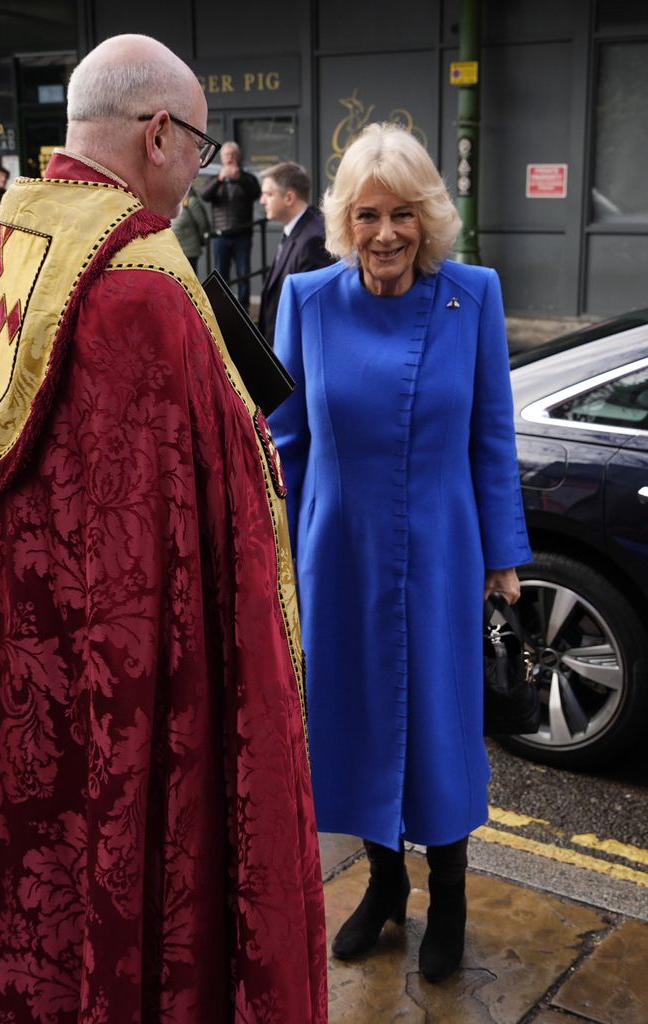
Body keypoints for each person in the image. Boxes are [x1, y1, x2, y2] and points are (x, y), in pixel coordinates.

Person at [0, 34, 327, 1023]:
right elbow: (166, 560)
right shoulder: (139, 289)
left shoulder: (19, 240)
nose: (207, 167)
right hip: (127, 698)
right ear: (159, 132)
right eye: (202, 145)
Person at [269, 122, 532, 984]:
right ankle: (384, 888)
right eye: (369, 215)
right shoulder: (307, 300)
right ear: (345, 219)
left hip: (442, 547)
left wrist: (502, 554)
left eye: (404, 215)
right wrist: (274, 553)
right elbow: (286, 442)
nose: (387, 234)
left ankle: (448, 893)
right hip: (337, 550)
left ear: (429, 218)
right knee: (352, 719)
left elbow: (491, 435)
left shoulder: (473, 295)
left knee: (440, 724)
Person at [257, 162, 332, 347]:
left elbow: (312, 314)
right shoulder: (296, 230)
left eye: (268, 194)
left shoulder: (313, 239)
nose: (262, 200)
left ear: (289, 197)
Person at [201, 141, 259, 311]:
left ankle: (244, 309)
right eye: (227, 155)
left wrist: (239, 178)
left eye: (234, 155)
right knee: (221, 275)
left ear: (239, 158)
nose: (230, 158)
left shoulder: (247, 178)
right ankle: (222, 310)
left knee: (243, 274)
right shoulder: (214, 179)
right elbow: (205, 195)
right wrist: (219, 179)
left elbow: (255, 192)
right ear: (222, 158)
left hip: (242, 234)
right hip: (220, 236)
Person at [170, 185, 209, 273]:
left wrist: (203, 240)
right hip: (173, 251)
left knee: (190, 281)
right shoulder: (170, 202)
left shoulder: (191, 201)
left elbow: (202, 224)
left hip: (189, 251)